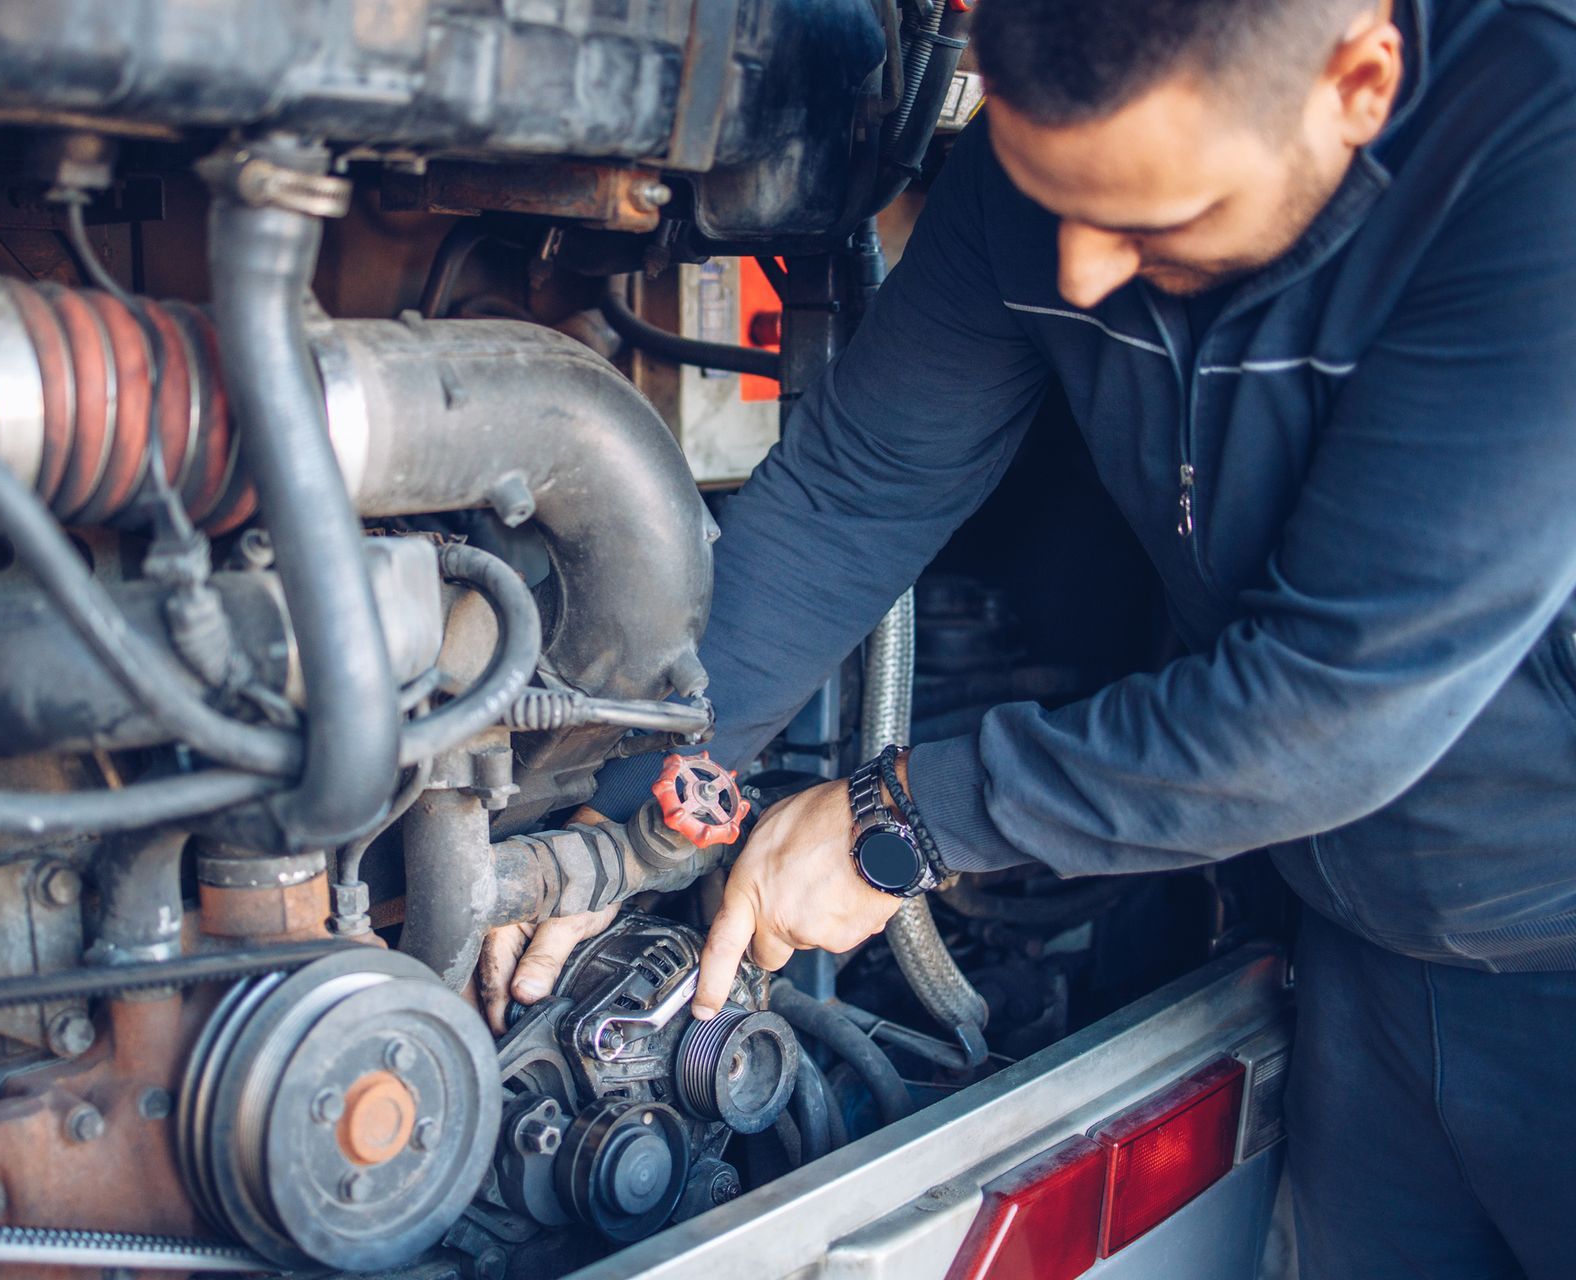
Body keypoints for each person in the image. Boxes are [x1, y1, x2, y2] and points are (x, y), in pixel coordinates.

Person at [479, 0, 1576, 1273]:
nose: (1081, 275)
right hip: (1359, 951)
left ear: (1358, 84)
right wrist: (611, 818)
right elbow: (855, 488)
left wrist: (900, 820)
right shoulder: (1056, 160)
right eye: (1058, 204)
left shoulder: (1534, 174)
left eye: (1153, 221)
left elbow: (1327, 704)